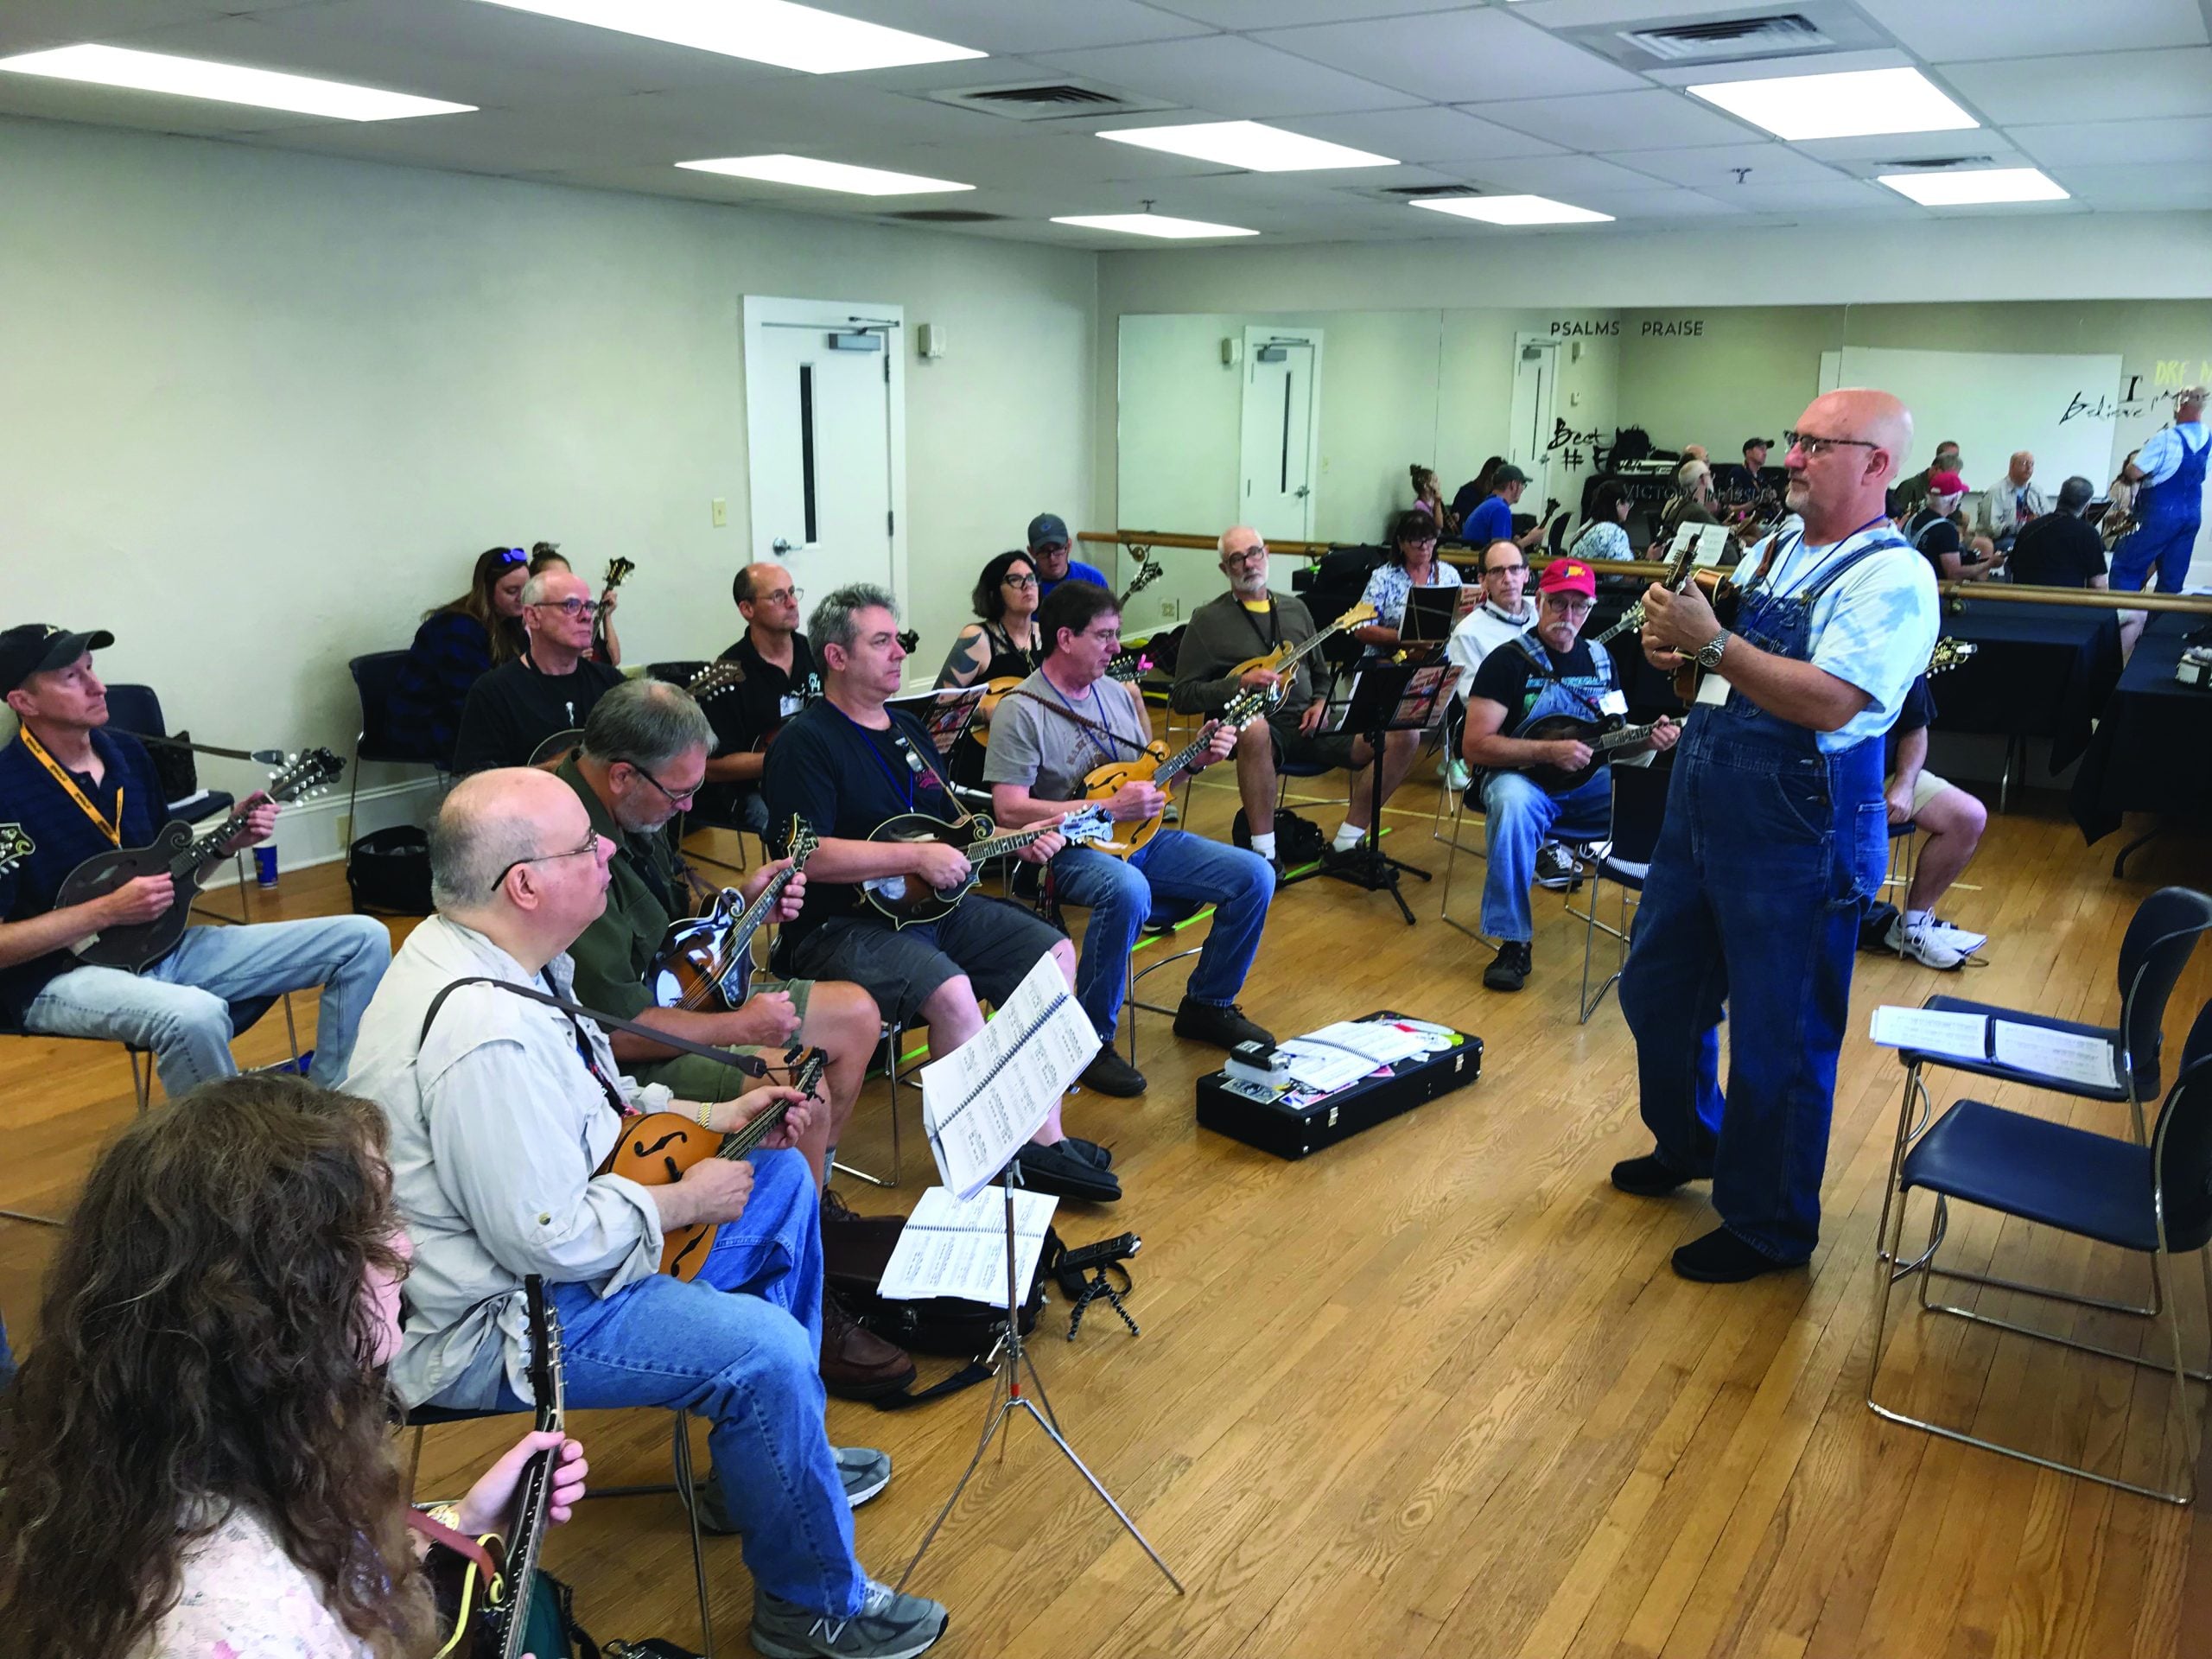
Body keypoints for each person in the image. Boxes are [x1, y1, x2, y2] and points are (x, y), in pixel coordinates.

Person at [346, 767, 950, 1657]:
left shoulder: (510, 961)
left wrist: (715, 1118)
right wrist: (681, 1198)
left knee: (782, 1180)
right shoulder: (484, 1034)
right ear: (525, 884)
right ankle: (811, 1605)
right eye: (583, 848)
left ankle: (765, 1472)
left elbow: (606, 1103)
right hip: (490, 1322)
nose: (604, 857)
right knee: (766, 1350)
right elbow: (538, 1240)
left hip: (547, 1259)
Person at [0, 1072, 590, 1659]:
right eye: (374, 1225)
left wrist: (465, 1525)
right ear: (280, 1297)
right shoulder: (245, 1621)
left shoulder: (178, 1470)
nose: (406, 1249)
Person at [1611, 389, 1938, 1283]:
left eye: (1816, 445)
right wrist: (1677, 657)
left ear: (1876, 464)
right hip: (1704, 813)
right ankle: (1694, 1143)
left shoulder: (1892, 577)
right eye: (1794, 440)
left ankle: (1767, 1224)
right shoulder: (1779, 546)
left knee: (1779, 1042)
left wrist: (1711, 645)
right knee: (1657, 994)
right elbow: (1718, 679)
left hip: (1800, 833)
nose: (1792, 457)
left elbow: (1831, 701)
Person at [551, 679, 915, 1401]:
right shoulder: (573, 849)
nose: (691, 807)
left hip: (685, 999)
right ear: (623, 774)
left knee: (855, 1016)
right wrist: (739, 1029)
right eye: (680, 794)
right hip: (634, 1046)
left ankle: (812, 1212)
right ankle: (805, 1284)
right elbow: (612, 1032)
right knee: (794, 1080)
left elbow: (674, 934)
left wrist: (746, 904)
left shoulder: (631, 814)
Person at [761, 584, 1116, 1202]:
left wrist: (1011, 839)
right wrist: (916, 855)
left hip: (931, 909)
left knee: (1053, 954)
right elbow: (804, 855)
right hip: (838, 929)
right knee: (953, 994)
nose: (900, 651)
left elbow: (950, 830)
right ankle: (983, 1168)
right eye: (882, 641)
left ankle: (1041, 1140)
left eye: (898, 639)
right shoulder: (805, 743)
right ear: (836, 657)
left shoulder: (907, 731)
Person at [0, 625, 392, 1097]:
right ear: (24, 702)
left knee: (363, 938)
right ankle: (222, 1164)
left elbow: (167, 878)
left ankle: (334, 1105)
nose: (97, 686)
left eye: (91, 668)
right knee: (195, 1015)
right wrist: (105, 911)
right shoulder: (7, 791)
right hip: (57, 976)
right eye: (70, 676)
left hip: (161, 948)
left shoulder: (127, 754)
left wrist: (229, 843)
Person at [986, 580, 1274, 1096]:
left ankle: (1208, 1004)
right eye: (1106, 636)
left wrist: (1198, 760)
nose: (1118, 648)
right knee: (1127, 889)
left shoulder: (1118, 695)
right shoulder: (1020, 709)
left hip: (1138, 838)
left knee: (1254, 874)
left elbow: (1148, 779)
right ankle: (1090, 1039)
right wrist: (1104, 807)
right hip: (1062, 850)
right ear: (1065, 638)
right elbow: (1008, 808)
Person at [1460, 559, 1678, 992]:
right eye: (1558, 603)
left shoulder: (1601, 660)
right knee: (1511, 803)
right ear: (1538, 601)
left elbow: (1614, 739)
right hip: (1524, 782)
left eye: (1578, 606)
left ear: (1591, 608)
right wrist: (1548, 750)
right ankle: (1514, 940)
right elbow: (1475, 746)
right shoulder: (1508, 663)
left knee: (1669, 804)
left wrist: (1648, 741)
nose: (1568, 615)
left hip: (1590, 787)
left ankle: (1661, 936)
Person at [1172, 526, 1420, 873]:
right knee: (1255, 728)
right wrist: (1238, 683)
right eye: (1236, 559)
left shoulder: (1296, 609)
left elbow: (1320, 674)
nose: (1248, 564)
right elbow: (1182, 695)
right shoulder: (1207, 621)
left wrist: (1320, 703)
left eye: (1255, 553)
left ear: (1267, 553)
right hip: (1255, 731)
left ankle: (1347, 844)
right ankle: (1264, 854)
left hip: (1309, 724)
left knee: (1405, 735)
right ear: (1224, 569)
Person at [450, 566, 626, 772]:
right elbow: (476, 781)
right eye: (571, 605)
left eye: (589, 606)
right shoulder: (493, 693)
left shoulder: (611, 683)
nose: (587, 616)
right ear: (532, 616)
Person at [699, 562, 822, 834]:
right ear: (747, 609)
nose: (792, 603)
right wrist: (787, 757)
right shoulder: (723, 675)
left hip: (819, 777)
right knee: (790, 836)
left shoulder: (817, 652)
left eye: (792, 592)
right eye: (779, 596)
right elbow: (710, 767)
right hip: (755, 791)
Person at [1880, 673, 1990, 969]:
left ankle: (1912, 925)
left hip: (1885, 775)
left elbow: (1915, 728)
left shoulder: (1905, 649)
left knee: (1968, 816)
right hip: (1824, 776)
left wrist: (1904, 783)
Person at [388, 545, 531, 765]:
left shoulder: (513, 624)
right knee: (521, 741)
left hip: (460, 715)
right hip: (425, 723)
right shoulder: (456, 628)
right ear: (487, 590)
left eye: (527, 590)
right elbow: (468, 701)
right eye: (511, 591)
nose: (522, 598)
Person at [934, 550, 1044, 786]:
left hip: (1038, 750)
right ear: (994, 593)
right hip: (985, 756)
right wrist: (989, 712)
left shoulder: (1047, 634)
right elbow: (937, 707)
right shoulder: (978, 639)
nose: (1028, 586)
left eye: (1032, 577)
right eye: (1015, 580)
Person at [2113, 386, 2208, 593]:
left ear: (2180, 406)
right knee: (2172, 580)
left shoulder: (2165, 438)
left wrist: (2130, 468)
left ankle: (2121, 623)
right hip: (2192, 515)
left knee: (2125, 568)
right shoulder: (2209, 438)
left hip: (2160, 514)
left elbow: (2134, 472)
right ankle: (2159, 625)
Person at [1354, 508, 1465, 652]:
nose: (1424, 547)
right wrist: (1405, 638)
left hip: (1438, 660)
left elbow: (1463, 617)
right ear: (1401, 543)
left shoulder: (1449, 574)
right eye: (1416, 541)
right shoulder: (1383, 578)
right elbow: (1361, 629)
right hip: (1388, 663)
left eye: (1430, 539)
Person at [528, 540, 624, 665]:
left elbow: (613, 660)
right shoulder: (529, 619)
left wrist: (607, 615)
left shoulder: (581, 614)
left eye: (567, 577)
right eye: (554, 578)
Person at [2007, 475, 2109, 589]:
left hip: (2023, 601)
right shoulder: (2089, 534)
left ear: (2059, 498)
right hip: (2065, 603)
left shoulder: (2029, 528)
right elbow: (2098, 584)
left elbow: (2012, 569)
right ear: (2087, 506)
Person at [1906, 470, 2003, 582]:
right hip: (1934, 591)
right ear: (1954, 501)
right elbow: (1954, 574)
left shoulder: (1912, 520)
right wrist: (1989, 564)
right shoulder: (1947, 530)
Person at [1461, 464, 1543, 551]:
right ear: (1513, 485)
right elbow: (1501, 552)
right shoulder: (1501, 509)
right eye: (1522, 485)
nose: (1522, 489)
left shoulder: (1490, 504)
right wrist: (1530, 539)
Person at [1027, 512, 1107, 601]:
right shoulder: (1024, 587)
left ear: (1069, 545)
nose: (1052, 558)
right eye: (1043, 551)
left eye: (1058, 549)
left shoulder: (1092, 579)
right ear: (1032, 552)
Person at [1567, 480, 1636, 576]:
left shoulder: (1585, 527)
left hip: (1575, 584)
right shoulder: (1614, 533)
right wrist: (1649, 559)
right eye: (1629, 503)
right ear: (1618, 503)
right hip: (1596, 589)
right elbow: (1624, 577)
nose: (1629, 508)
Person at [1980, 451, 2046, 546]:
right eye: (2024, 463)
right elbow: (1992, 528)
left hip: (2033, 536)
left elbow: (2048, 516)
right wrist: (2023, 526)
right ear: (2012, 466)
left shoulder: (2036, 491)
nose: (2029, 468)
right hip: (2005, 539)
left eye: (2031, 464)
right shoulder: (1996, 491)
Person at [1656, 458, 1720, 544]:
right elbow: (1722, 541)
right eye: (1710, 475)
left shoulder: (1679, 504)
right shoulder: (1698, 511)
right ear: (1703, 479)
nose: (1712, 479)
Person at [1894, 439, 1962, 518]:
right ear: (1936, 468)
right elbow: (1896, 517)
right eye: (1947, 475)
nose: (1949, 479)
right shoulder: (1910, 486)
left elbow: (1954, 516)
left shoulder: (1950, 486)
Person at [1716, 437, 1773, 505]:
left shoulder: (1761, 477)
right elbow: (1731, 508)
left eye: (1765, 450)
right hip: (1743, 516)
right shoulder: (1737, 473)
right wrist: (1757, 501)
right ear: (1748, 452)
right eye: (1761, 449)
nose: (1765, 453)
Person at [1409, 463, 1457, 537]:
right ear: (1426, 485)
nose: (1439, 483)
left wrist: (1451, 519)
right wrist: (1437, 503)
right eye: (1435, 481)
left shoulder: (1432, 501)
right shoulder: (1419, 505)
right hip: (1431, 540)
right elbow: (1438, 525)